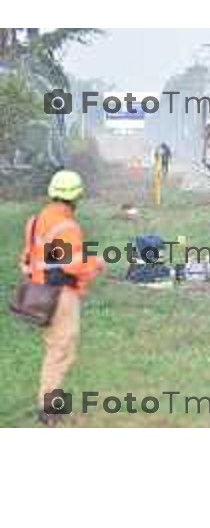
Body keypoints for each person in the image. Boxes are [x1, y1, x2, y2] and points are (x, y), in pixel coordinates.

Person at [20, 170, 104, 426]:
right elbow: (72, 264)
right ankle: (50, 409)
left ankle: (50, 401)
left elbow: (27, 259)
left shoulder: (36, 220)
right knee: (61, 351)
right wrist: (96, 263)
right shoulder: (67, 226)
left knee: (53, 348)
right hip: (61, 296)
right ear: (76, 196)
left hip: (39, 294)